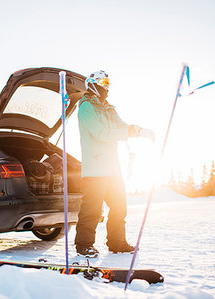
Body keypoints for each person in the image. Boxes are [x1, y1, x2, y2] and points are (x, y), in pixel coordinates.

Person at [75, 70, 154, 257]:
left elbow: (122, 127)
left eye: (108, 83)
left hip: (112, 169)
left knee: (119, 207)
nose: (106, 87)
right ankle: (84, 245)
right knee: (92, 210)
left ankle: (117, 243)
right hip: (94, 169)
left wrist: (138, 130)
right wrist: (127, 133)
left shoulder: (109, 109)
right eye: (103, 82)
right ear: (92, 83)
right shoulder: (86, 108)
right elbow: (101, 133)